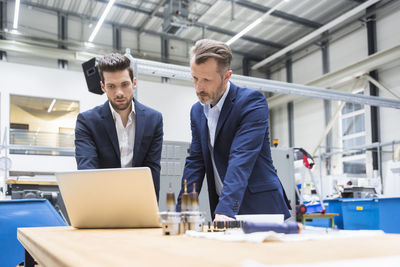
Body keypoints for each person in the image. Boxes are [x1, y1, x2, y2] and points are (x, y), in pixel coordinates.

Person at [177, 39, 290, 221]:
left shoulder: (251, 103)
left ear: (226, 76)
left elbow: (241, 159)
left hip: (260, 209)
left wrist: (226, 211)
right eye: (195, 78)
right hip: (224, 207)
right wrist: (182, 211)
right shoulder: (197, 111)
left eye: (206, 80)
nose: (199, 88)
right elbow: (195, 163)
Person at [75, 53, 163, 200]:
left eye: (124, 84)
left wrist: (152, 212)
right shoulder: (87, 122)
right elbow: (87, 172)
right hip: (102, 203)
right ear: (103, 87)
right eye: (111, 86)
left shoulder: (153, 120)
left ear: (134, 83)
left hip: (139, 203)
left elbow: (152, 171)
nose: (119, 93)